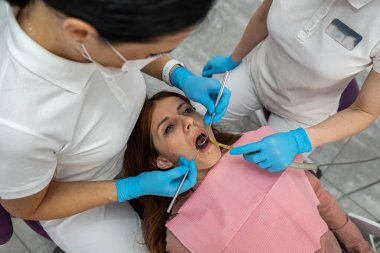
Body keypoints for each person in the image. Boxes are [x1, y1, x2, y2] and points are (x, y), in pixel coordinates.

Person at [0, 0, 231, 252]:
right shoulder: (15, 125)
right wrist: (129, 188)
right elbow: (25, 205)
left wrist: (175, 73)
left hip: (133, 142)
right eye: (148, 54)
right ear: (80, 34)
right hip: (75, 196)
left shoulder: (92, 25)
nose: (189, 121)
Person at [123, 91, 373, 253]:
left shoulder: (261, 149)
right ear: (162, 162)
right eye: (168, 128)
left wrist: (360, 246)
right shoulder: (182, 236)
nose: (188, 121)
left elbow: (320, 199)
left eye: (187, 110)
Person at [202, 0, 380, 172]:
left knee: (252, 177)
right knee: (193, 120)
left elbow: (365, 111)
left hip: (303, 116)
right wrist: (234, 58)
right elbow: (263, 17)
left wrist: (301, 140)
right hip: (254, 75)